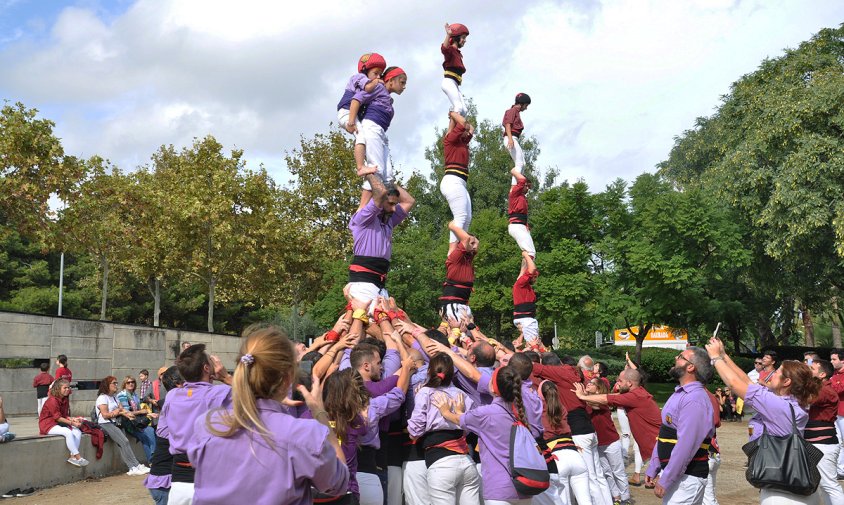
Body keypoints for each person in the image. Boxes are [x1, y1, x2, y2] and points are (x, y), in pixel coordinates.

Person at [188, 326, 349, 505]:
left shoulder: (207, 424)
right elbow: (339, 483)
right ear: (288, 378)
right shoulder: (304, 434)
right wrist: (321, 416)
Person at [705, 337, 822, 504]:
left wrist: (715, 358)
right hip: (795, 485)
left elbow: (734, 384)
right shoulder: (792, 402)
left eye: (778, 373)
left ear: (786, 382)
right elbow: (746, 382)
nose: (773, 374)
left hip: (782, 493)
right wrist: (724, 355)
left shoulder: (776, 404)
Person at [434, 365, 536, 504]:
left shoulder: (485, 413)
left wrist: (446, 412)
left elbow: (460, 420)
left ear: (493, 388)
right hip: (525, 487)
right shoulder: (521, 412)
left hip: (499, 490)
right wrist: (459, 412)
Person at [158, 343, 233, 505]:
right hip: (211, 478)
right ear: (207, 368)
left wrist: (183, 435)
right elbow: (257, 397)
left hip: (179, 479)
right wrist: (226, 377)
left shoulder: (171, 396)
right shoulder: (220, 393)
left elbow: (162, 431)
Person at [407, 352, 481, 505]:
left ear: (429, 371)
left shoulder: (425, 393)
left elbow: (415, 432)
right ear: (452, 374)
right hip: (466, 462)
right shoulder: (462, 395)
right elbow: (470, 426)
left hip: (440, 463)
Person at [644, 347, 716, 504]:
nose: (676, 357)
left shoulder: (695, 399)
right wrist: (654, 466)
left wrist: (667, 478)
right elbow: (665, 433)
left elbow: (686, 445)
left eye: (681, 356)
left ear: (690, 367)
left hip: (688, 477)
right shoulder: (679, 393)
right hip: (678, 474)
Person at [574, 367, 662, 491]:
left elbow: (607, 399)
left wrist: (582, 396)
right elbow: (613, 396)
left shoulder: (635, 396)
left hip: (661, 448)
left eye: (620, 381)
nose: (617, 383)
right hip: (658, 449)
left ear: (629, 383)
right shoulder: (637, 393)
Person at [346, 172, 414, 308]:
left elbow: (409, 201)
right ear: (380, 201)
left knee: (391, 323)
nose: (395, 208)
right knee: (373, 324)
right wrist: (369, 173)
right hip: (363, 283)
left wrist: (390, 181)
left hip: (380, 283)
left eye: (395, 204)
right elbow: (380, 191)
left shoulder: (388, 220)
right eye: (390, 204)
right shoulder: (365, 218)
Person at [347, 67, 408, 209]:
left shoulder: (388, 98)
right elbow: (357, 99)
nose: (404, 86)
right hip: (372, 128)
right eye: (402, 82)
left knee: (388, 177)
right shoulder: (379, 88)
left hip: (381, 133)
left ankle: (381, 210)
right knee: (376, 169)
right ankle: (361, 209)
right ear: (391, 81)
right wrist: (351, 121)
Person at [536, 380, 592, 505]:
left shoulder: (537, 410)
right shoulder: (562, 408)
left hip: (557, 458)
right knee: (586, 501)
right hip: (575, 455)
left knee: (564, 501)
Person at [145, 366, 184, 505]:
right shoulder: (174, 404)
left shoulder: (172, 402)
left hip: (168, 481)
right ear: (179, 384)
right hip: (163, 484)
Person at [96, 375, 149, 476]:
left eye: (116, 383)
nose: (116, 385)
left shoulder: (114, 397)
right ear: (107, 385)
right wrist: (117, 412)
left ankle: (134, 466)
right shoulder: (102, 398)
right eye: (114, 383)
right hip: (105, 423)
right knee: (124, 441)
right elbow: (105, 415)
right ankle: (134, 465)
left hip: (116, 422)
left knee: (123, 444)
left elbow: (123, 409)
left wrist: (129, 415)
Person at [807, 359, 844, 505]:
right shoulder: (819, 388)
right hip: (817, 442)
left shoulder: (825, 390)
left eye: (812, 369)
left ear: (822, 375)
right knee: (819, 485)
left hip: (823, 444)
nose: (808, 370)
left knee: (829, 485)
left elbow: (807, 399)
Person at [586, 378, 628, 505]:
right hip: (598, 443)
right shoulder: (585, 401)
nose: (588, 384)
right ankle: (616, 496)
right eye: (588, 382)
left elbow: (594, 405)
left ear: (598, 389)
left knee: (618, 471)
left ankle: (625, 498)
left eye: (592, 383)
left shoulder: (601, 400)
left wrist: (580, 396)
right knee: (606, 472)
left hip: (611, 442)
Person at [440, 111, 474, 254]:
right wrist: (454, 113)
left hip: (460, 182)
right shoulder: (451, 139)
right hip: (452, 181)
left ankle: (460, 250)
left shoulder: (462, 141)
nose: (467, 132)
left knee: (467, 219)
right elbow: (464, 124)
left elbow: (470, 127)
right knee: (460, 217)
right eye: (464, 131)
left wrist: (454, 117)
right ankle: (452, 252)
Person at [38, 379, 88, 467]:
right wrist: (72, 423)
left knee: (77, 432)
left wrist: (73, 419)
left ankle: (72, 457)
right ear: (58, 389)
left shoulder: (64, 399)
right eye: (65, 388)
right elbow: (57, 417)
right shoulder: (52, 400)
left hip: (57, 423)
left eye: (68, 387)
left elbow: (64, 415)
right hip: (47, 425)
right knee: (67, 432)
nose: (67, 389)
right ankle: (78, 457)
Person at [339, 53, 387, 140]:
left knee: (366, 136)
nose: (379, 77)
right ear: (365, 70)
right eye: (375, 73)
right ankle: (349, 125)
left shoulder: (370, 81)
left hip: (353, 113)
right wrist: (351, 122)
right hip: (347, 111)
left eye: (381, 74)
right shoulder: (360, 77)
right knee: (361, 137)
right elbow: (368, 88)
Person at [439, 221, 479, 322]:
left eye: (476, 244)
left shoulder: (469, 257)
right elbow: (465, 238)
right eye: (472, 243)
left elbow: (463, 241)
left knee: (470, 334)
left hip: (463, 304)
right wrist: (452, 226)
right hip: (453, 304)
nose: (475, 246)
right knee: (460, 334)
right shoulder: (455, 256)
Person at [116, 375, 157, 462]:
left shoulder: (134, 395)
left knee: (151, 430)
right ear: (124, 384)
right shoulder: (122, 395)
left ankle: (153, 455)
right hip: (129, 423)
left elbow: (139, 410)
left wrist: (149, 414)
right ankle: (152, 461)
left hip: (137, 422)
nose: (131, 384)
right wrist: (140, 412)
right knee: (144, 438)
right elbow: (126, 412)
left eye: (132, 382)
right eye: (128, 382)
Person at [513, 251, 541, 350]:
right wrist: (526, 254)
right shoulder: (521, 283)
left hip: (526, 318)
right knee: (534, 346)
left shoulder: (523, 284)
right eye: (535, 277)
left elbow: (523, 269)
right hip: (526, 319)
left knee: (535, 344)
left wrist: (528, 258)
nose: (535, 279)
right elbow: (532, 269)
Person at [441, 23, 469, 116]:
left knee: (464, 111)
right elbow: (444, 49)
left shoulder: (457, 53)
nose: (465, 40)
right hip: (449, 82)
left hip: (455, 84)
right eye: (463, 38)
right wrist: (448, 34)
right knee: (458, 107)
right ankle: (451, 131)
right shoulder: (451, 50)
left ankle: (459, 129)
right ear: (456, 38)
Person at [508, 169, 536, 258]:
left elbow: (523, 215)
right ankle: (528, 271)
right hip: (517, 226)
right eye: (526, 186)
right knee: (530, 253)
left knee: (530, 252)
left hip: (521, 226)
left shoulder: (522, 197)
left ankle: (523, 272)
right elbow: (522, 180)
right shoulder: (515, 193)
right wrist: (514, 172)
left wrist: (526, 225)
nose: (528, 188)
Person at [503, 93, 531, 181]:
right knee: (519, 163)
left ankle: (519, 184)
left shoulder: (516, 112)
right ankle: (514, 188)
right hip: (510, 137)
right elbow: (508, 125)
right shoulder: (512, 111)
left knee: (523, 163)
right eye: (526, 105)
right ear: (521, 104)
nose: (526, 108)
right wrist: (510, 139)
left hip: (513, 138)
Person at [828, 348, 844, 478]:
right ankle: (840, 469)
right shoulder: (833, 374)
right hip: (835, 412)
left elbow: (838, 389)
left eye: (834, 359)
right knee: (838, 441)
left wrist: (830, 384)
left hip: (843, 412)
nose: (831, 361)